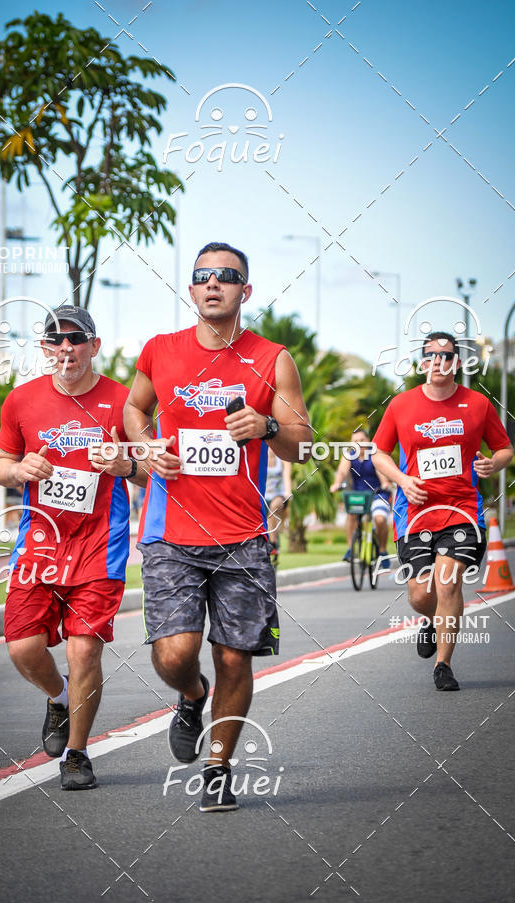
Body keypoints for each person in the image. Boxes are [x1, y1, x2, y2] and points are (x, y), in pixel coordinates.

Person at [124, 241, 312, 811]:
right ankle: (190, 694)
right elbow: (135, 409)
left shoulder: (273, 358)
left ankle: (218, 765)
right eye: (203, 276)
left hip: (243, 536)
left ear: (244, 291)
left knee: (235, 655)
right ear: (191, 288)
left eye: (227, 277)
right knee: (175, 653)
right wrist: (147, 445)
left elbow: (302, 445)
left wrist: (265, 429)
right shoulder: (161, 351)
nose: (214, 284)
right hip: (170, 532)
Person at [0, 305, 146, 790]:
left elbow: (154, 470)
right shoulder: (20, 401)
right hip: (39, 543)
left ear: (94, 346)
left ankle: (77, 755)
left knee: (84, 653)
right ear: (44, 349)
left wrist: (123, 465)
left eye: (75, 339)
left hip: (101, 544)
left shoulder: (124, 402)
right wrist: (18, 471)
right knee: (23, 648)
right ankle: (57, 698)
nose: (65, 349)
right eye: (54, 341)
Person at [372, 331, 513, 691]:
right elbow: (378, 452)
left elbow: (504, 449)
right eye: (431, 355)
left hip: (461, 511)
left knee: (448, 581)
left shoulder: (478, 404)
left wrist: (493, 465)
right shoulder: (401, 405)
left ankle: (443, 666)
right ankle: (431, 620)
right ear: (422, 363)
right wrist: (402, 480)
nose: (439, 362)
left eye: (446, 355)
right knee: (421, 594)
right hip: (415, 513)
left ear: (457, 362)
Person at [330, 428, 392, 568]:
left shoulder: (375, 454)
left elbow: (381, 472)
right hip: (359, 495)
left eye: (362, 440)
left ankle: (382, 551)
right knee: (351, 515)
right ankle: (351, 549)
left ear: (368, 440)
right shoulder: (349, 455)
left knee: (380, 518)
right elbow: (341, 472)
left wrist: (385, 483)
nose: (359, 444)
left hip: (378, 493)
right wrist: (337, 484)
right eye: (355, 441)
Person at [264, 449, 292, 564]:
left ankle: (273, 544)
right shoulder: (262, 457)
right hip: (264, 496)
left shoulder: (283, 458)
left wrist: (288, 492)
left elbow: (287, 476)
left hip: (279, 496)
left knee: (273, 510)